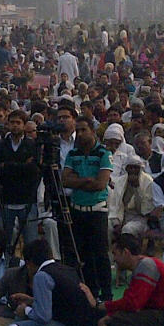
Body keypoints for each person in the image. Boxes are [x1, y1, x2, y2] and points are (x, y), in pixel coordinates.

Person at [91, 233, 164, 326]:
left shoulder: (146, 266)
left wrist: (101, 307)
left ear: (125, 252)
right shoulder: (143, 266)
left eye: (115, 253)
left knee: (116, 324)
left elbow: (132, 304)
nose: (114, 259)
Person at [61, 115, 114, 302]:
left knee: (100, 255)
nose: (80, 134)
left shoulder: (103, 153)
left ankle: (106, 296)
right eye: (78, 130)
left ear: (93, 131)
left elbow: (101, 184)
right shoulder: (72, 154)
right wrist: (86, 180)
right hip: (77, 210)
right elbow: (64, 180)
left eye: (84, 130)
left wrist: (77, 182)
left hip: (97, 211)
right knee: (81, 256)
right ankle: (89, 293)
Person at [12, 237, 97, 326]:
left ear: (29, 263)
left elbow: (43, 317)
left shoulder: (41, 276)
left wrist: (25, 310)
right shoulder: (68, 270)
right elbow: (63, 302)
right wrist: (32, 301)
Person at [0, 109, 41, 248]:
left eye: (18, 122)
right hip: (6, 199)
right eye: (12, 122)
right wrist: (22, 165)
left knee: (30, 243)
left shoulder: (32, 145)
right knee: (4, 244)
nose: (15, 125)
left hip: (27, 199)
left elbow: (34, 170)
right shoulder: (0, 145)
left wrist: (8, 165)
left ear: (24, 125)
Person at [109, 156, 155, 239]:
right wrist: (116, 223)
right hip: (122, 216)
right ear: (126, 169)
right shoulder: (120, 181)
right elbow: (114, 205)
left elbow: (146, 210)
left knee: (128, 229)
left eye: (136, 168)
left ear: (140, 169)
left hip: (140, 219)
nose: (133, 170)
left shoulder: (148, 182)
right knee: (108, 226)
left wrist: (136, 188)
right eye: (131, 167)